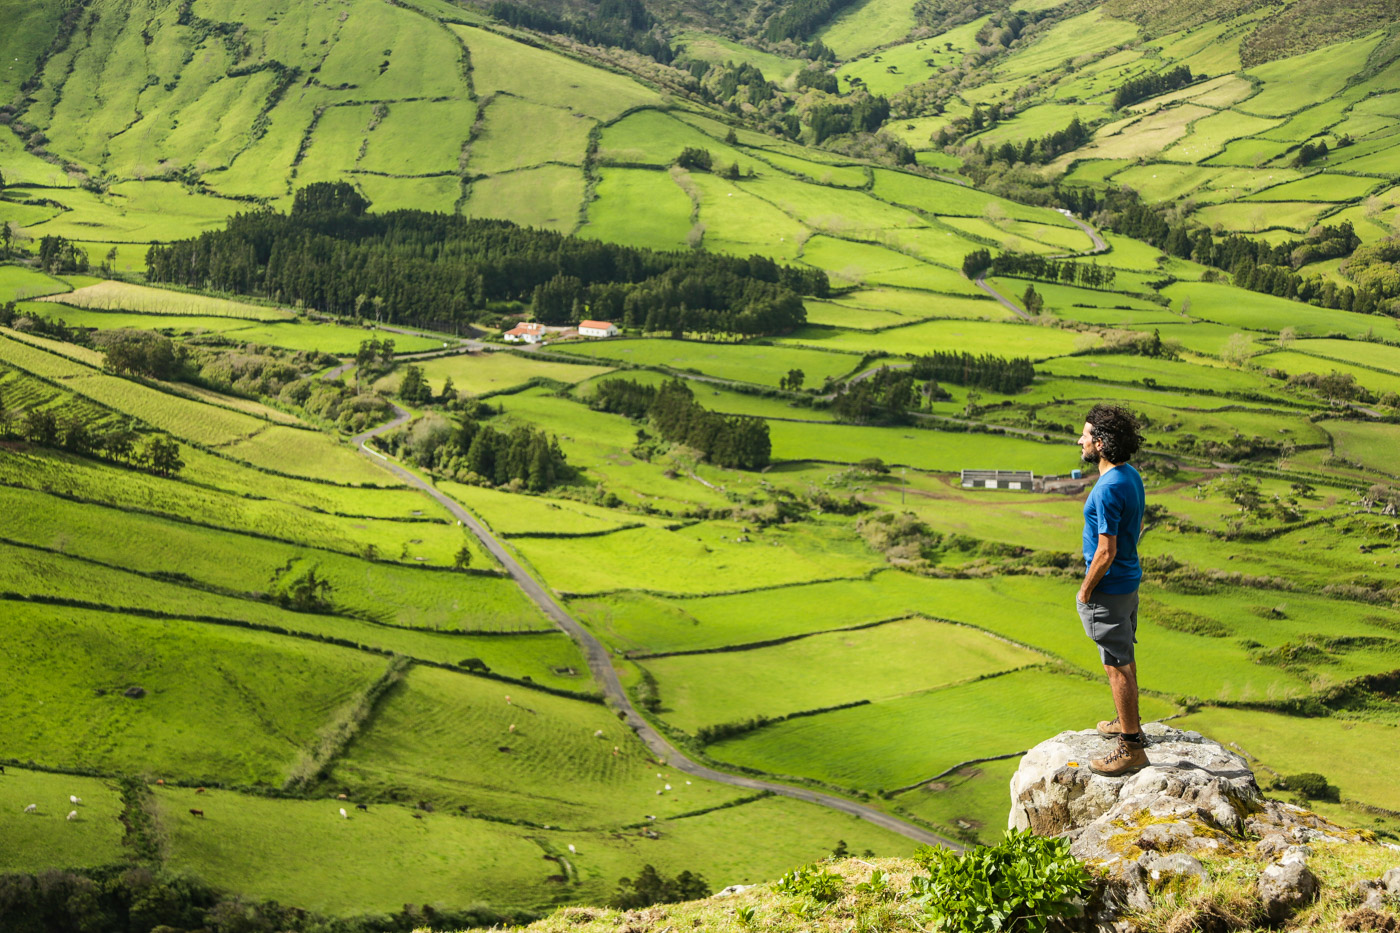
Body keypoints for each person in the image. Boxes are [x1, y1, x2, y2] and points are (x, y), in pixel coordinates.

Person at [1076, 404, 1147, 776]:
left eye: (1085, 436)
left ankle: (1131, 746)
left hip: (1108, 587)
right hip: (1128, 582)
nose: (1080, 440)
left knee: (1114, 664)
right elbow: (1132, 532)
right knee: (1123, 654)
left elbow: (1106, 549)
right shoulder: (1130, 476)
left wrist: (1086, 591)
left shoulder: (1106, 489)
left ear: (1100, 444)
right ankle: (1126, 721)